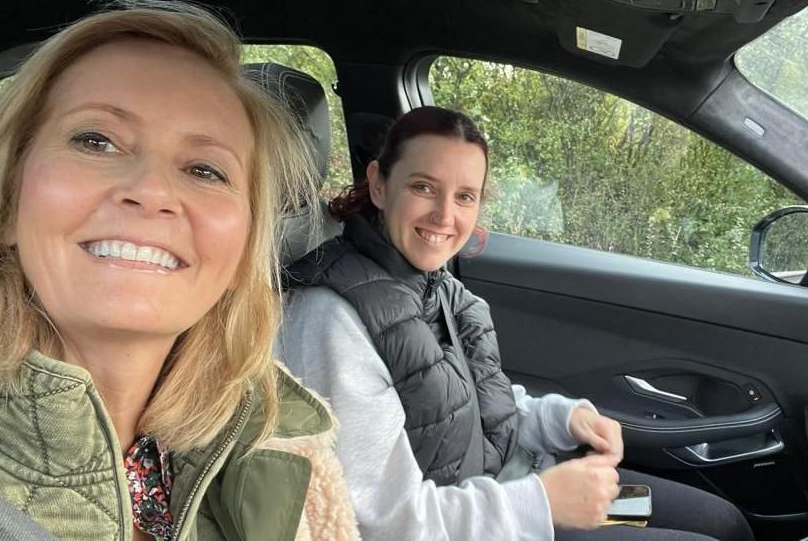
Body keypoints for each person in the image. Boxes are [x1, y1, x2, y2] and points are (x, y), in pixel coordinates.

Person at [0, 0, 358, 541]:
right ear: (9, 198)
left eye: (204, 169)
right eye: (96, 140)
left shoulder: (282, 455)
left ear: (242, 250)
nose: (151, 192)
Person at [279, 106, 754, 540]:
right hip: (504, 518)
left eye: (465, 196)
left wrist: (565, 418)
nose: (445, 216)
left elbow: (478, 410)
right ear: (379, 184)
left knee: (723, 522)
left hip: (519, 491)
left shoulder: (434, 287)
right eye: (423, 187)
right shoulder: (331, 318)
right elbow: (389, 522)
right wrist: (544, 502)